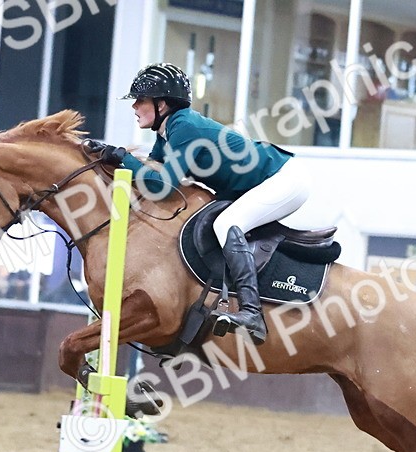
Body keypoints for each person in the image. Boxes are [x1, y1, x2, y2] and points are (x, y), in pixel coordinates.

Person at [110, 62, 312, 344]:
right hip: (269, 179)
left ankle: (252, 312)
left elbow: (163, 188)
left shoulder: (184, 128)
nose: (134, 107)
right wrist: (110, 159)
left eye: (140, 100)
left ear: (162, 104)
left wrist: (124, 159)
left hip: (284, 180)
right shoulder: (167, 132)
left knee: (227, 223)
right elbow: (153, 170)